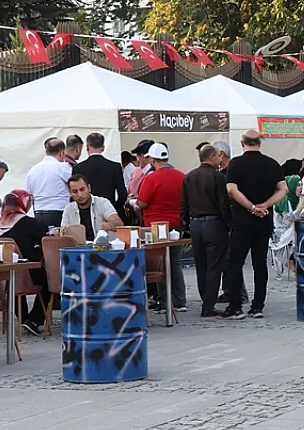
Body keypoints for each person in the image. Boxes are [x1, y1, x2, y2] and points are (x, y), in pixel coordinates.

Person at [220, 130, 287, 320]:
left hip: (242, 221)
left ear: (242, 144)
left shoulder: (236, 164)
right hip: (264, 220)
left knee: (235, 262)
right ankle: (258, 306)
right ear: (259, 143)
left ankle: (235, 306)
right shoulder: (271, 163)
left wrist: (250, 207)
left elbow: (231, 190)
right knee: (260, 264)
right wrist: (265, 205)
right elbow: (283, 189)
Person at [135, 143, 187, 313]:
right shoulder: (181, 176)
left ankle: (165, 301)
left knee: (160, 264)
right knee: (175, 263)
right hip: (177, 225)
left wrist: (132, 202)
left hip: (156, 227)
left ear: (152, 159)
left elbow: (142, 202)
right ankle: (180, 301)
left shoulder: (151, 178)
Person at [181, 143, 232, 318]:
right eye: (218, 156)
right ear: (211, 157)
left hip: (195, 225)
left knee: (201, 265)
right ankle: (208, 305)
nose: (220, 159)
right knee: (214, 266)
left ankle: (205, 299)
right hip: (214, 224)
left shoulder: (189, 177)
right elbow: (223, 205)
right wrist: (228, 224)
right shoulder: (218, 178)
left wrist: (185, 226)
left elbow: (184, 204)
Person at [0, 190, 49, 335]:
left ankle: (23, 319)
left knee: (16, 285)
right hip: (27, 271)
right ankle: (34, 320)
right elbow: (43, 240)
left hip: (3, 276)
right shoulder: (27, 222)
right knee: (51, 282)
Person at [73, 132, 129, 216]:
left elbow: (74, 193)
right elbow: (123, 194)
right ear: (103, 148)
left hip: (87, 211)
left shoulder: (78, 168)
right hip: (109, 210)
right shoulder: (115, 167)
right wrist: (114, 207)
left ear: (87, 147)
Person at [26, 137, 72, 231]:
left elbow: (27, 194)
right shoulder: (63, 167)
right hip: (59, 211)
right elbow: (74, 184)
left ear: (46, 151)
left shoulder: (33, 170)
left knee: (45, 242)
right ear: (62, 152)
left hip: (38, 212)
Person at [60, 174, 122, 241]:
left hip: (104, 248)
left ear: (89, 188)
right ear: (70, 193)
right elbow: (63, 234)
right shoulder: (68, 209)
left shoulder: (103, 203)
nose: (79, 195)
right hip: (79, 249)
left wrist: (108, 225)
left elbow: (119, 224)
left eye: (82, 189)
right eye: (75, 191)